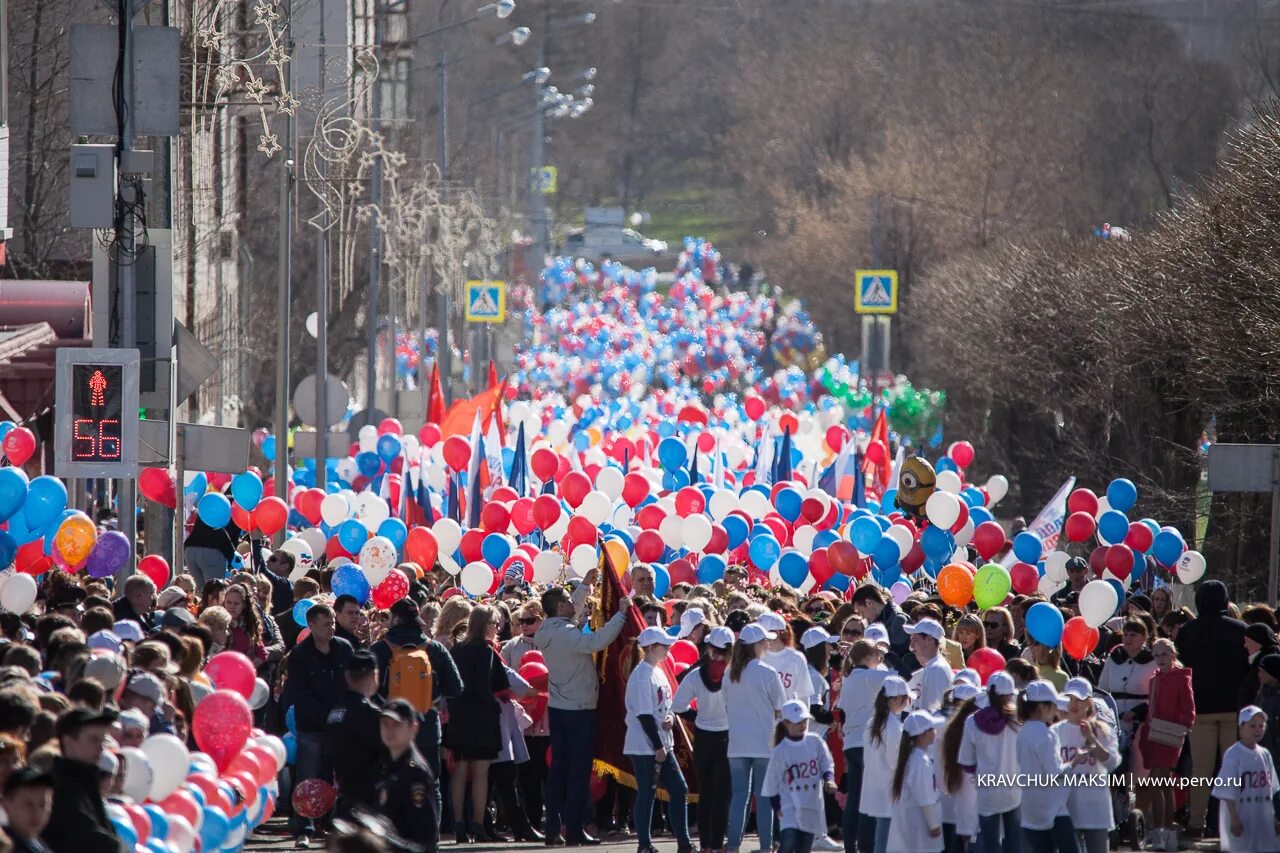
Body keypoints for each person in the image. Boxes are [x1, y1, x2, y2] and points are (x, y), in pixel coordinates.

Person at [532, 580, 630, 846]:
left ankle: (554, 828)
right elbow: (598, 641)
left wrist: (585, 585)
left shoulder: (546, 631)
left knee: (558, 773)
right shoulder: (567, 634)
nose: (572, 604)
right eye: (567, 600)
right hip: (580, 709)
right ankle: (573, 829)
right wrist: (621, 614)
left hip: (559, 707)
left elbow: (568, 610)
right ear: (560, 606)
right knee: (577, 772)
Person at [1175, 579, 1249, 838]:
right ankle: (1232, 824)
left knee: (1200, 771)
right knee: (1233, 769)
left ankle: (1196, 823)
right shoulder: (1241, 629)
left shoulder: (1187, 632)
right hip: (1234, 709)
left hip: (1201, 709)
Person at [286, 603, 354, 847]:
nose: (331, 628)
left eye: (333, 623)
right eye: (326, 624)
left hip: (340, 726)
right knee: (308, 776)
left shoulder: (344, 649)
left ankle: (328, 823)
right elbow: (301, 695)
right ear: (311, 625)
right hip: (312, 727)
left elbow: (351, 685)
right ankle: (303, 827)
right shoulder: (300, 656)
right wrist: (326, 719)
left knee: (333, 777)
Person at [624, 626, 692, 853]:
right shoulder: (642, 676)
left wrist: (671, 717)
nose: (668, 649)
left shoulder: (658, 671)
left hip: (662, 742)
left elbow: (664, 706)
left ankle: (683, 842)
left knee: (679, 789)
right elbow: (643, 714)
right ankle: (644, 845)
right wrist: (658, 746)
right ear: (651, 648)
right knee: (648, 791)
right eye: (664, 646)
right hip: (647, 746)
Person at [445, 605, 509, 843]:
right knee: (481, 772)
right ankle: (478, 824)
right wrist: (492, 706)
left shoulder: (457, 649)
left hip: (460, 716)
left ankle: (459, 824)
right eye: (494, 623)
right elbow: (486, 685)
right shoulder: (485, 650)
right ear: (484, 625)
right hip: (481, 717)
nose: (497, 628)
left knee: (460, 771)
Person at [723, 623, 786, 853]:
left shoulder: (730, 672)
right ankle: (765, 845)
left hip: (738, 742)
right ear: (756, 645)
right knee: (763, 797)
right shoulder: (767, 672)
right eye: (764, 640)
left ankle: (732, 846)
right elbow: (781, 707)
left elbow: (726, 704)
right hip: (763, 742)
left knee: (740, 796)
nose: (768, 643)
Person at [673, 626, 732, 853]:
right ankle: (716, 844)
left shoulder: (696, 674)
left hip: (703, 738)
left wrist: (697, 717)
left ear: (709, 648)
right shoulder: (734, 674)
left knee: (706, 792)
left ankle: (705, 844)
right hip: (727, 736)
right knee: (722, 793)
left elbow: (678, 706)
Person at [1138, 639, 1195, 852]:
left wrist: (1178, 728)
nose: (1159, 659)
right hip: (1154, 734)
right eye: (1156, 655)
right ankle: (1167, 832)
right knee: (1164, 783)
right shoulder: (1155, 680)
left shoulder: (1181, 678)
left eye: (1163, 654)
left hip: (1170, 735)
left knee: (1157, 780)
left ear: (1172, 654)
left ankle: (1161, 830)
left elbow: (1189, 710)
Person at [1016, 681, 1084, 853]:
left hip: (1029, 806)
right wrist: (1075, 761)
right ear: (1041, 707)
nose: (1056, 710)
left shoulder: (1022, 732)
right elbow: (1055, 773)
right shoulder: (1047, 735)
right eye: (1053, 705)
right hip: (1052, 807)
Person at [43, 706, 123, 853]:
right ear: (68, 742)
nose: (100, 748)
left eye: (102, 741)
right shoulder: (60, 785)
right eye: (93, 740)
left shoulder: (87, 780)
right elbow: (85, 837)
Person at [958, 672, 1021, 853]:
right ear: (1010, 695)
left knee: (990, 845)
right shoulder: (1019, 721)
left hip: (987, 792)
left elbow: (966, 762)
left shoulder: (972, 721)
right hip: (1014, 790)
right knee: (1014, 844)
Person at [837, 638, 889, 853]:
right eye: (877, 656)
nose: (880, 660)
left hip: (851, 743)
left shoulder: (848, 679)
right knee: (869, 798)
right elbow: (900, 678)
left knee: (855, 797)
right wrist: (889, 655)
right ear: (868, 658)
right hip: (866, 742)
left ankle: (850, 845)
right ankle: (866, 846)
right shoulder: (868, 676)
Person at [762, 701, 835, 853]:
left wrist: (829, 778)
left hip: (811, 804)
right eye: (797, 722)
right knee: (788, 842)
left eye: (804, 721)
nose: (802, 725)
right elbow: (772, 780)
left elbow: (825, 761)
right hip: (789, 805)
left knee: (805, 846)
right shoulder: (780, 750)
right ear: (786, 723)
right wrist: (776, 806)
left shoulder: (815, 741)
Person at [373, 699, 439, 853]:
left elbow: (424, 836)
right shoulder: (387, 764)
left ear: (413, 727)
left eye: (396, 724)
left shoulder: (414, 771)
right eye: (385, 724)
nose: (389, 730)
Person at [1212, 706, 1280, 852]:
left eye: (1261, 726)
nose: (1257, 729)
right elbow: (1227, 790)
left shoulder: (1265, 754)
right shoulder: (1233, 754)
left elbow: (1269, 790)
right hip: (1243, 816)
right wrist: (1234, 818)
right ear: (1241, 728)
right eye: (1252, 726)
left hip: (1262, 816)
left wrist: (1273, 819)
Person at [327, 650, 385, 817]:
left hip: (345, 794)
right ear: (374, 676)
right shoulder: (369, 713)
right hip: (369, 799)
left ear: (347, 676)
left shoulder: (336, 711)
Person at [860, 676, 910, 853]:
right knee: (885, 838)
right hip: (889, 789)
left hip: (876, 786)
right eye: (906, 698)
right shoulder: (893, 726)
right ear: (897, 699)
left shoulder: (872, 722)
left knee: (881, 836)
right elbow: (894, 762)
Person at [886, 711, 943, 853]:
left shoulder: (913, 757)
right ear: (922, 734)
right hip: (920, 827)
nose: (935, 732)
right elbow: (926, 798)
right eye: (932, 729)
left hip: (910, 824)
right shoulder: (920, 761)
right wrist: (933, 824)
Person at [759, 613, 815, 707]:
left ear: (778, 633)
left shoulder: (796, 658)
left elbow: (803, 695)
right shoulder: (756, 657)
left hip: (786, 719)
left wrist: (804, 721)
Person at [850, 587, 909, 673]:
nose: (862, 617)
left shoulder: (898, 620)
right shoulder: (876, 623)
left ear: (869, 603)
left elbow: (897, 659)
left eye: (861, 612)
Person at [905, 620, 953, 713]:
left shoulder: (937, 669)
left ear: (929, 640)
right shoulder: (931, 668)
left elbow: (936, 711)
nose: (911, 647)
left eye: (915, 640)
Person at [5, 768, 54, 853]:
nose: (37, 813)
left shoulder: (38, 843)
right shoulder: (6, 848)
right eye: (28, 804)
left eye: (43, 805)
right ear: (7, 804)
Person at [1241, 623, 1279, 710]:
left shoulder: (1266, 664)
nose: (1245, 645)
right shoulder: (1259, 660)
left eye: (1247, 641)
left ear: (1257, 642)